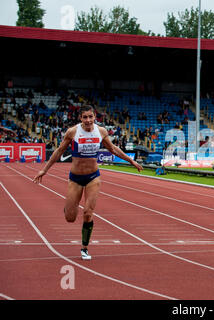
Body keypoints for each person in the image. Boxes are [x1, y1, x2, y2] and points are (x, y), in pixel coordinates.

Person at [33, 105, 143, 260]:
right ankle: (68, 207)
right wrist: (44, 170)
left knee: (87, 213)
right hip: (76, 178)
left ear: (94, 117)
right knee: (70, 218)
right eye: (85, 117)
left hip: (93, 177)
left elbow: (113, 149)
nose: (88, 120)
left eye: (91, 117)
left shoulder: (101, 131)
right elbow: (59, 151)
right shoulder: (72, 132)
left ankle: (84, 248)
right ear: (80, 118)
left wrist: (131, 161)